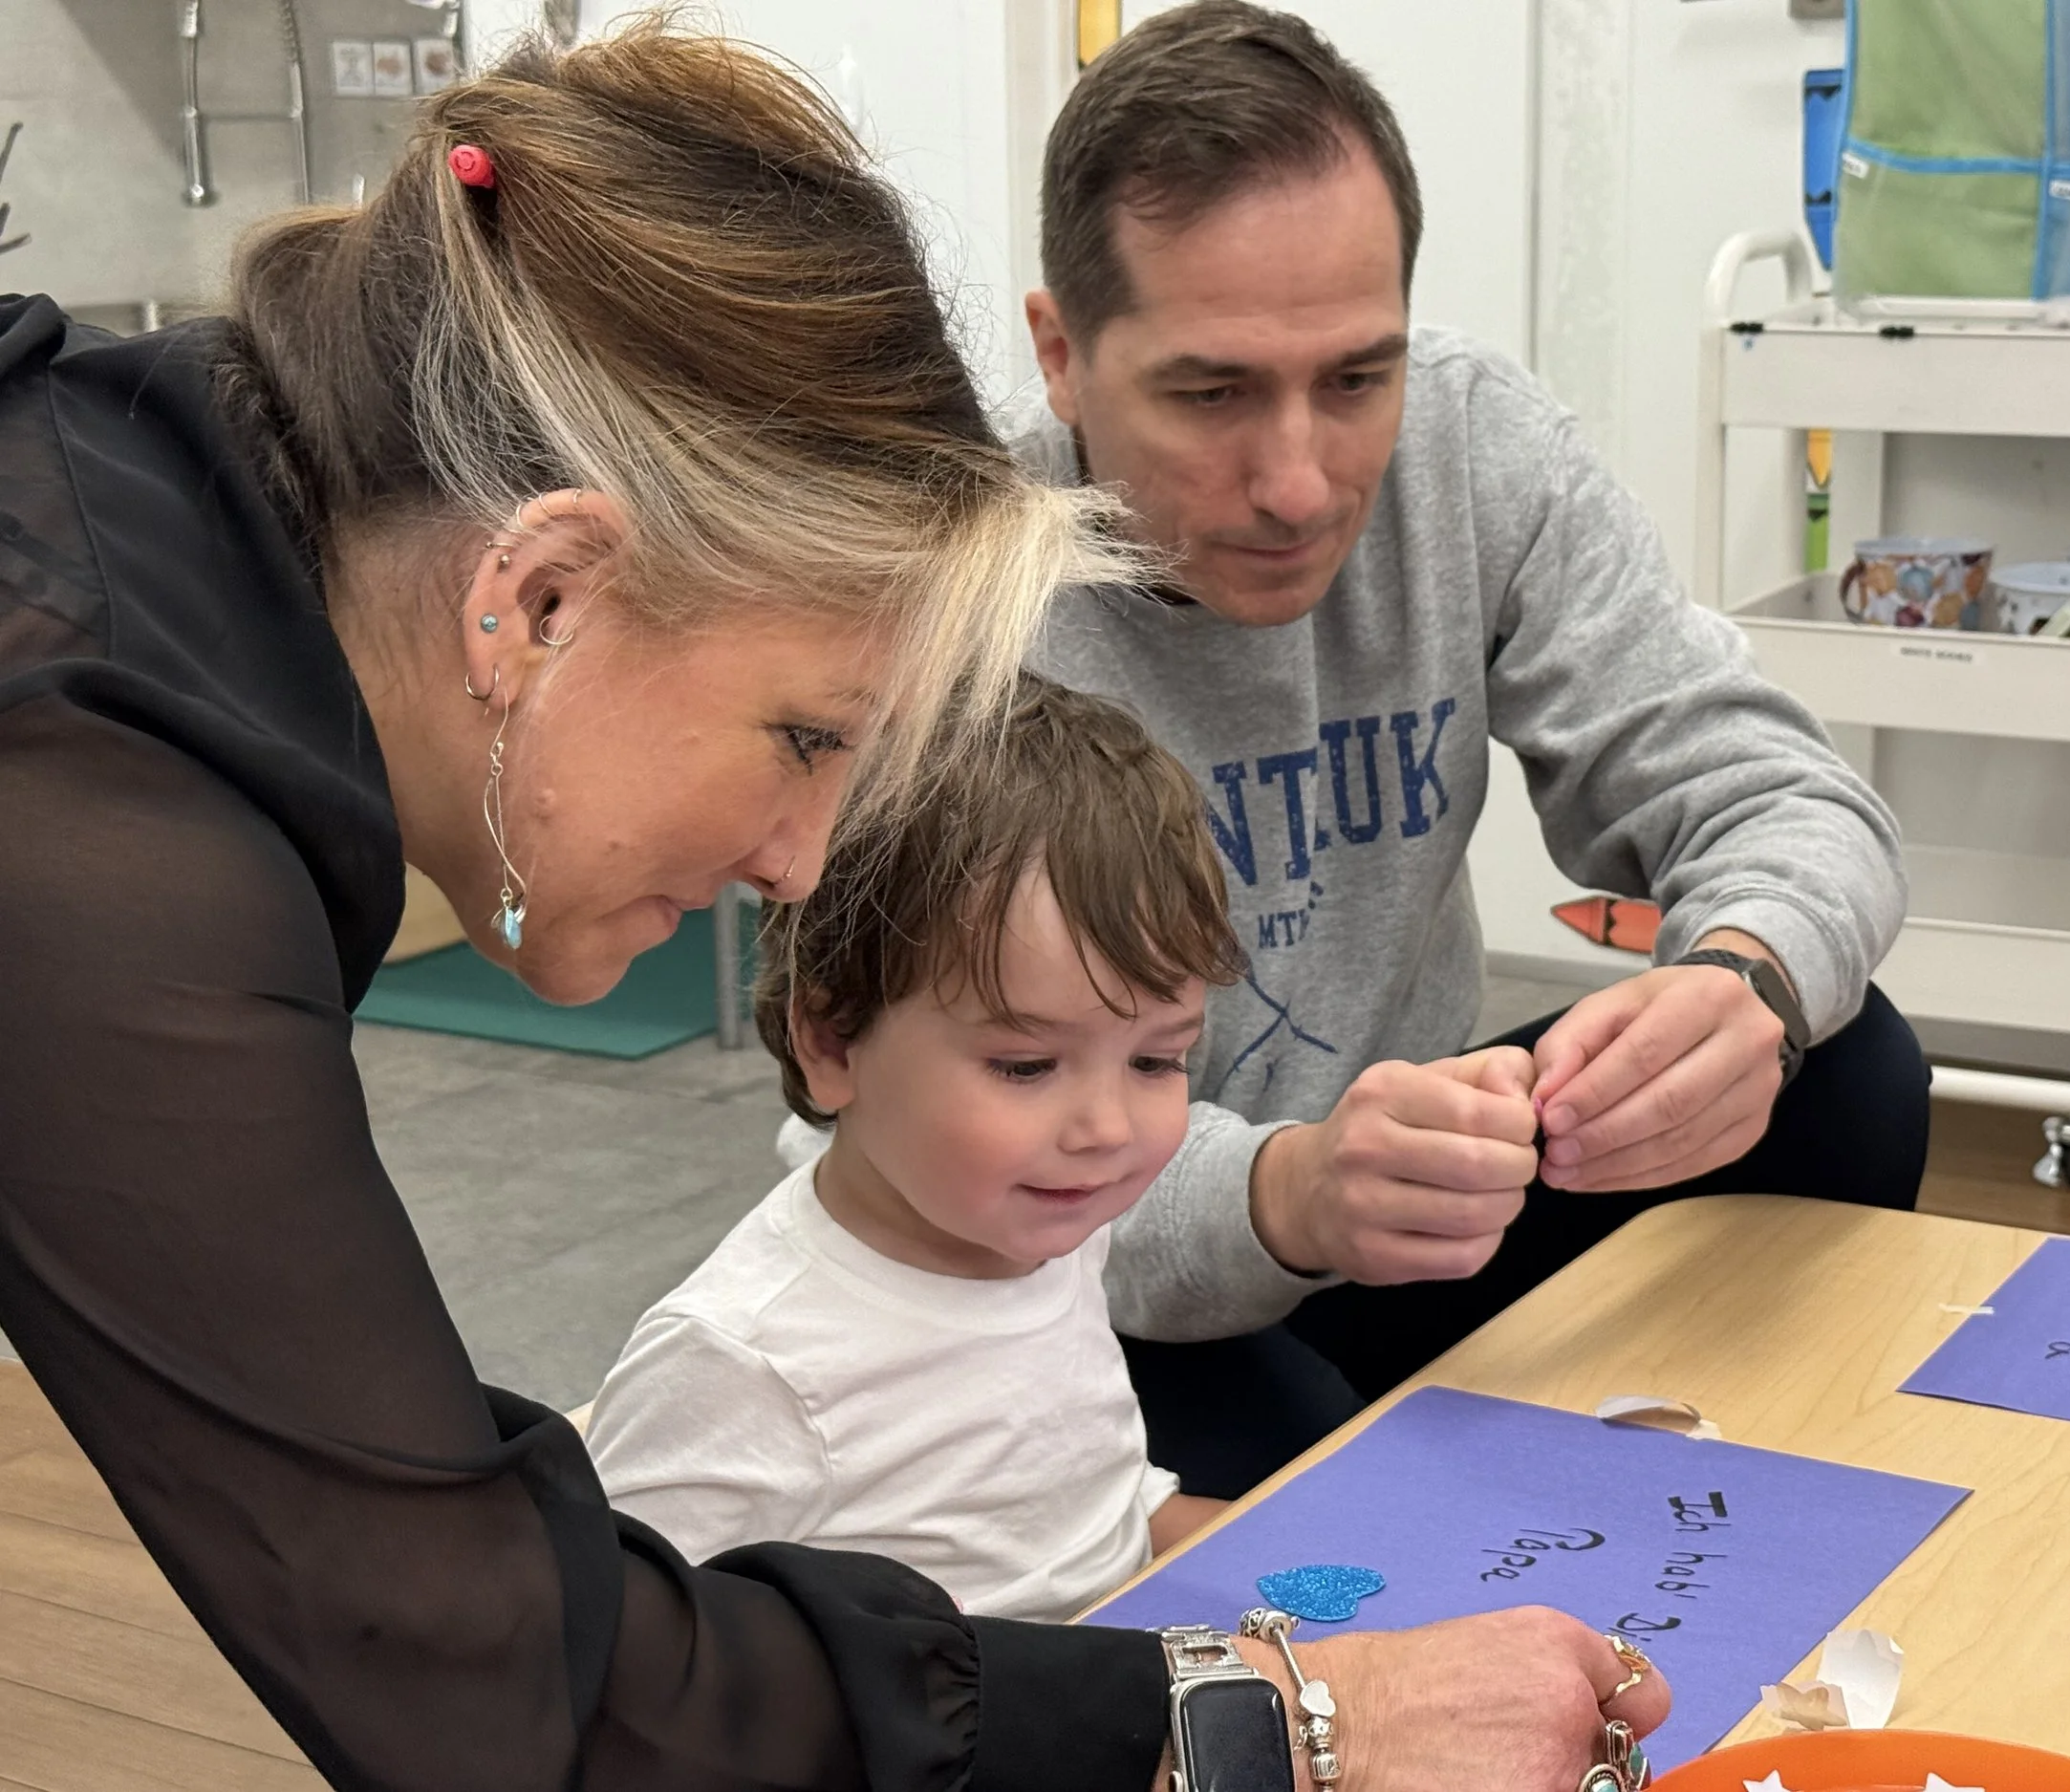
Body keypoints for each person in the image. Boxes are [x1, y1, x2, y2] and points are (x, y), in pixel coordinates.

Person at [0, 19, 1670, 1792]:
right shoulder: (99, 822)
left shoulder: (177, 540)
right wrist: (1277, 1718)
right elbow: (479, 1674)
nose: (806, 862)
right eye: (807, 736)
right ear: (540, 597)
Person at [1014, 0, 1932, 1494]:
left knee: (1848, 1063)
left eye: (1356, 378)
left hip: (1417, 1207)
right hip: (1106, 1260)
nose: (1299, 481)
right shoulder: (973, 594)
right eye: (1211, 392)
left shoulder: (1474, 446)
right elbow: (967, 1163)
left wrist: (1743, 976)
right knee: (1314, 1491)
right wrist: (1284, 1191)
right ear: (1064, 354)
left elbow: (1782, 795)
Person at [587, 678, 1267, 1615]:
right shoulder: (743, 1368)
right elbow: (625, 1676)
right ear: (832, 1042)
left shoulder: (1040, 1225)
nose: (1107, 1130)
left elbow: (1093, 1510)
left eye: (1157, 1060)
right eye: (1027, 1066)